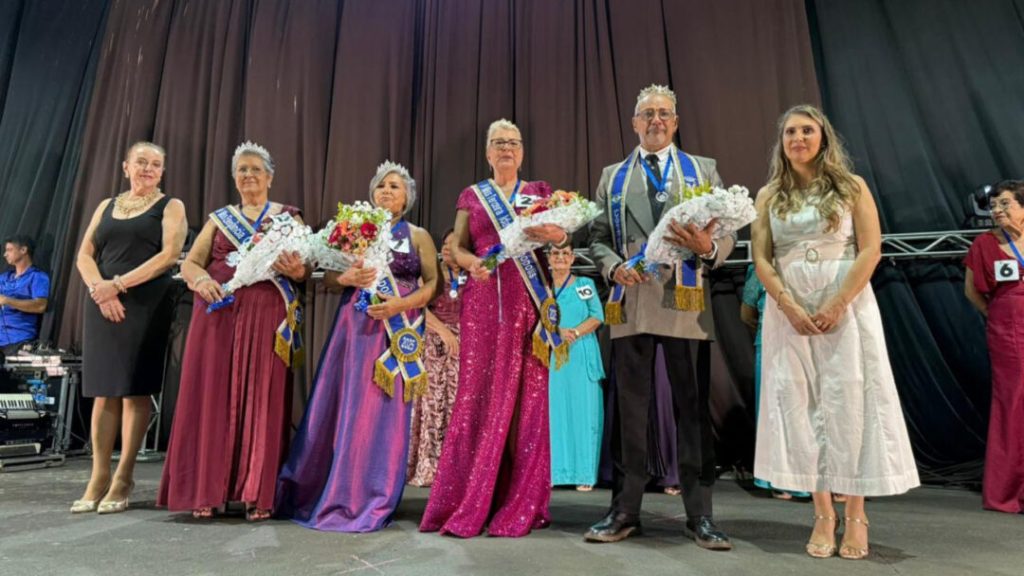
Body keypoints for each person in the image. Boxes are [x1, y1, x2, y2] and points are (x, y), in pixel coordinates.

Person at [751, 104, 920, 559]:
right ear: (781, 141)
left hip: (845, 304)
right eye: (790, 132)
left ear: (823, 137)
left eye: (807, 130)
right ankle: (822, 513)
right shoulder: (768, 194)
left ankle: (857, 515)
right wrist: (787, 305)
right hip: (789, 308)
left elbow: (871, 249)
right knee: (801, 408)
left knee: (851, 404)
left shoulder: (851, 187)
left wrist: (838, 301)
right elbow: (762, 258)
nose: (798, 138)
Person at [586, 84, 734, 549]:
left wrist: (709, 248)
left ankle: (700, 515)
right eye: (646, 114)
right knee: (629, 413)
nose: (655, 120)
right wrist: (611, 266)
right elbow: (596, 237)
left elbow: (724, 232)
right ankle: (624, 510)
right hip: (631, 304)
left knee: (691, 413)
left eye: (663, 114)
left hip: (684, 304)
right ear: (634, 123)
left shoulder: (703, 170)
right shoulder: (613, 176)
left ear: (675, 121)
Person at [420, 119, 568, 538]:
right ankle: (469, 498)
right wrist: (471, 265)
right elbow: (458, 247)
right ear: (487, 153)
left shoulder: (538, 192)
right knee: (478, 394)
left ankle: (520, 501)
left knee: (527, 401)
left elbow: (558, 238)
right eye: (498, 143)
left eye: (513, 143)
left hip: (530, 302)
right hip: (483, 305)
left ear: (522, 152)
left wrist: (555, 233)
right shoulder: (473, 195)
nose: (506, 149)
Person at [275, 160, 439, 532]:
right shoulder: (350, 228)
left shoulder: (418, 235)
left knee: (383, 413)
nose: (387, 191)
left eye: (395, 187)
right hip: (356, 327)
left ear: (407, 198)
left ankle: (373, 492)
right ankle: (336, 488)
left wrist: (402, 304)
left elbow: (433, 285)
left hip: (397, 333)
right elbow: (330, 278)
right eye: (382, 185)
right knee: (347, 407)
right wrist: (344, 276)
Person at [158, 142, 309, 521]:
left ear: (270, 177)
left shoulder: (289, 218)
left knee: (263, 397)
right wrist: (201, 280)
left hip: (268, 316)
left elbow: (305, 270)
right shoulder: (220, 218)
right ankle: (205, 489)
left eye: (256, 169)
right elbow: (191, 262)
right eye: (242, 170)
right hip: (218, 313)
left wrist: (296, 271)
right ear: (234, 178)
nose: (248, 175)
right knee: (211, 396)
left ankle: (257, 493)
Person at [73, 141, 187, 514]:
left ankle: (124, 476)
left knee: (134, 390)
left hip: (144, 303)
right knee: (104, 390)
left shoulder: (170, 206)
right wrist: (99, 290)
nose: (148, 169)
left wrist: (118, 285)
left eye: (156, 164)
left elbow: (169, 256)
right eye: (142, 162)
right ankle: (98, 476)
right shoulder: (106, 206)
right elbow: (85, 255)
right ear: (126, 166)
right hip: (102, 303)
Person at [964, 179, 1024, 515]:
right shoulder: (985, 244)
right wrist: (997, 315)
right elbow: (971, 292)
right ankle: (1007, 492)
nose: (997, 211)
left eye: (1005, 204)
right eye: (995, 206)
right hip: (1008, 330)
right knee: (1013, 402)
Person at [740, 264, 810, 501]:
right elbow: (746, 313)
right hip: (771, 347)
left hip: (811, 346)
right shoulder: (760, 270)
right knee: (776, 414)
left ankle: (814, 479)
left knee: (808, 413)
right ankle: (779, 478)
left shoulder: (810, 265)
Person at [408, 229, 464, 487]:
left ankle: (456, 467)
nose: (447, 249)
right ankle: (429, 466)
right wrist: (443, 331)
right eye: (445, 244)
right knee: (431, 405)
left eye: (454, 245)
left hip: (465, 348)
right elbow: (415, 305)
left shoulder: (472, 276)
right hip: (433, 343)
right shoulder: (432, 275)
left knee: (457, 405)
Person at [547, 242, 604, 490]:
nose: (560, 257)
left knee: (584, 413)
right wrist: (557, 331)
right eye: (555, 253)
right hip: (553, 353)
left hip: (580, 352)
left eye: (566, 253)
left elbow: (597, 316)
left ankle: (584, 474)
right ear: (548, 257)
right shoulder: (542, 288)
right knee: (555, 413)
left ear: (573, 258)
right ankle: (556, 472)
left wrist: (576, 332)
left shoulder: (584, 286)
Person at [0, 235, 49, 356]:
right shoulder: (4, 278)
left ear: (23, 250)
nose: (5, 254)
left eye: (9, 250)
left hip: (18, 340)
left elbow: (40, 306)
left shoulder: (38, 277)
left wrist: (7, 300)